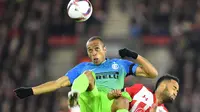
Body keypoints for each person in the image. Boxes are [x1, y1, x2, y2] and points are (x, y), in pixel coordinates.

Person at [14, 36, 158, 112]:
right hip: (90, 103)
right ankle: (73, 104)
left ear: (104, 49)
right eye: (90, 50)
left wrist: (134, 55)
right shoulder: (83, 67)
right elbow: (58, 83)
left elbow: (152, 73)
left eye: (96, 48)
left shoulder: (120, 65)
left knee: (123, 101)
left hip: (109, 104)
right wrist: (31, 91)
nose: (93, 53)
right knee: (88, 75)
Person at [108, 74, 179, 112]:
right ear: (162, 86)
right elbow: (117, 99)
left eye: (177, 91)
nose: (175, 93)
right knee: (122, 100)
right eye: (174, 88)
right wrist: (112, 95)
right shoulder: (140, 89)